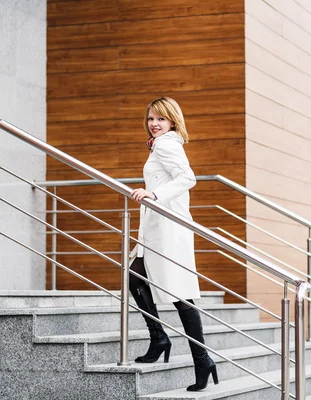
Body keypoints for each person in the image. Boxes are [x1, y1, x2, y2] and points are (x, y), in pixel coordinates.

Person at [129, 97, 218, 392]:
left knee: (179, 294)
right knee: (136, 276)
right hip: (161, 227)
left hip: (167, 228)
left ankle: (199, 358)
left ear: (172, 122)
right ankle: (160, 339)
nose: (154, 124)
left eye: (161, 119)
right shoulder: (162, 144)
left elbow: (187, 178)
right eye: (151, 118)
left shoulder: (167, 144)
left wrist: (154, 195)